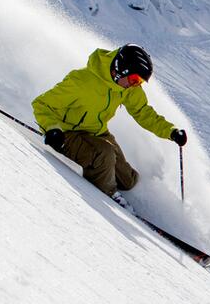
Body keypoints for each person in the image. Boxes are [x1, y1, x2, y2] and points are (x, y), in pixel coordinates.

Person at [31, 44, 187, 198]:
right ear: (120, 70)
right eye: (134, 79)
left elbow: (142, 112)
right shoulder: (82, 81)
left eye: (139, 82)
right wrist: (51, 129)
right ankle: (108, 197)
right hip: (66, 134)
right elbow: (42, 104)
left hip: (96, 133)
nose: (135, 85)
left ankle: (123, 191)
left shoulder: (127, 88)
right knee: (104, 155)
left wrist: (171, 131)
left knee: (128, 180)